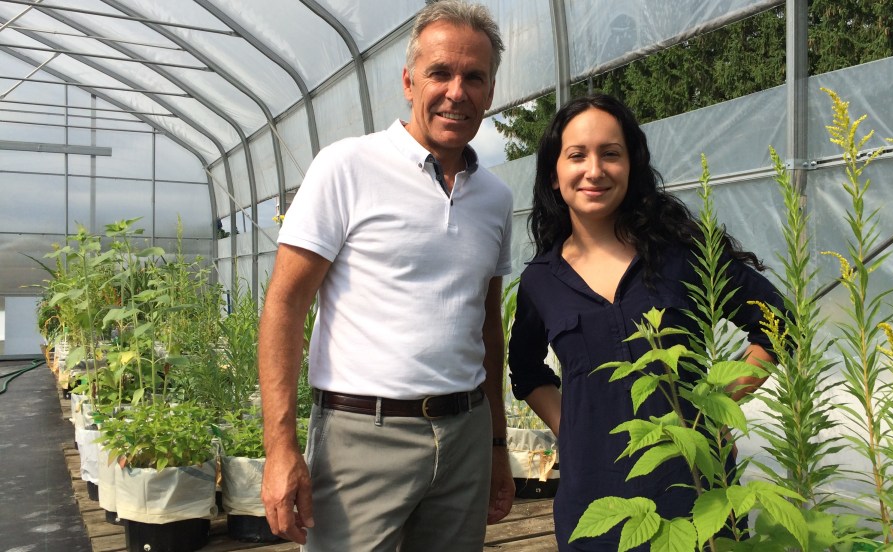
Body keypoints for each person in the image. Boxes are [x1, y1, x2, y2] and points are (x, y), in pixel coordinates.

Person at [257, 2, 515, 550]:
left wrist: (496, 445)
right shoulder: (348, 167)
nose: (456, 91)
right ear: (408, 81)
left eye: (474, 77)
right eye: (439, 73)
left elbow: (486, 326)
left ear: (491, 91)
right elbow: (285, 303)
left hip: (465, 432)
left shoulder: (494, 198)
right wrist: (280, 448)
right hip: (362, 439)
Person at [507, 94, 782, 550]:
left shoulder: (683, 254)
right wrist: (571, 430)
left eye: (610, 154)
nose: (594, 170)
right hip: (594, 496)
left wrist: (717, 409)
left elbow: (779, 322)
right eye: (577, 155)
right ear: (554, 176)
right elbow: (527, 370)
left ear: (631, 166)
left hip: (696, 484)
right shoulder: (541, 282)